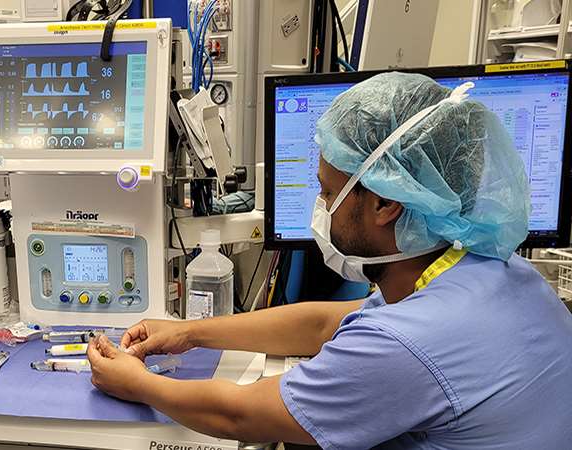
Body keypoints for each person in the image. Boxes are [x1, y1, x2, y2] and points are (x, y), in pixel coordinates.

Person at [87, 73, 572, 449]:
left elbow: (237, 415)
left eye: (328, 192)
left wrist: (139, 384)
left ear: (387, 204)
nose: (321, 209)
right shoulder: (495, 272)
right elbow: (324, 323)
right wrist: (189, 333)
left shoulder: (405, 344)